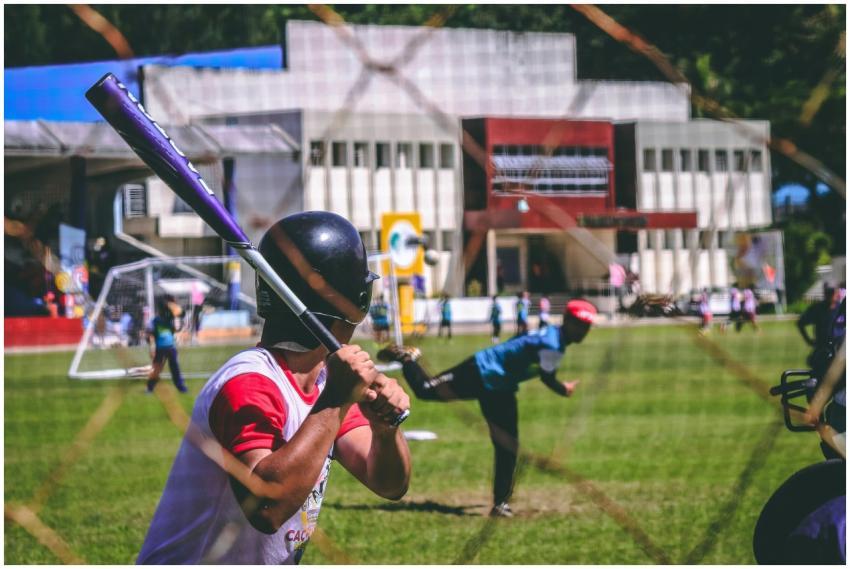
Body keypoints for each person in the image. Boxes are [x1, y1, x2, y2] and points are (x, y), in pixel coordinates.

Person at [138, 211, 411, 564]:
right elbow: (267, 506)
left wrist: (385, 429)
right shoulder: (249, 384)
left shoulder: (326, 383)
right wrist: (334, 403)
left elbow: (389, 484)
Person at [377, 299, 597, 518]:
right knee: (425, 389)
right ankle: (408, 358)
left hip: (500, 387)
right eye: (579, 324)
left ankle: (501, 503)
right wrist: (564, 389)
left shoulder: (549, 333)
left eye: (586, 326)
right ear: (567, 320)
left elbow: (522, 341)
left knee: (508, 446)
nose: (583, 330)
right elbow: (548, 378)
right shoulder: (553, 345)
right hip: (480, 371)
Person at [146, 295, 188, 394]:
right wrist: (151, 348)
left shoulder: (170, 318)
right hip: (160, 349)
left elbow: (182, 313)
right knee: (156, 369)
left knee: (175, 369)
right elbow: (150, 336)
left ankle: (181, 388)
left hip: (171, 348)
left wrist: (172, 304)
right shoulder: (155, 321)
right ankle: (150, 388)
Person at [797, 283, 836, 367]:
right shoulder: (817, 309)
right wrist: (808, 340)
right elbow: (800, 323)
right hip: (821, 349)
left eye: (832, 292)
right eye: (828, 292)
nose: (830, 295)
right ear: (824, 292)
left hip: (838, 349)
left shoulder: (842, 308)